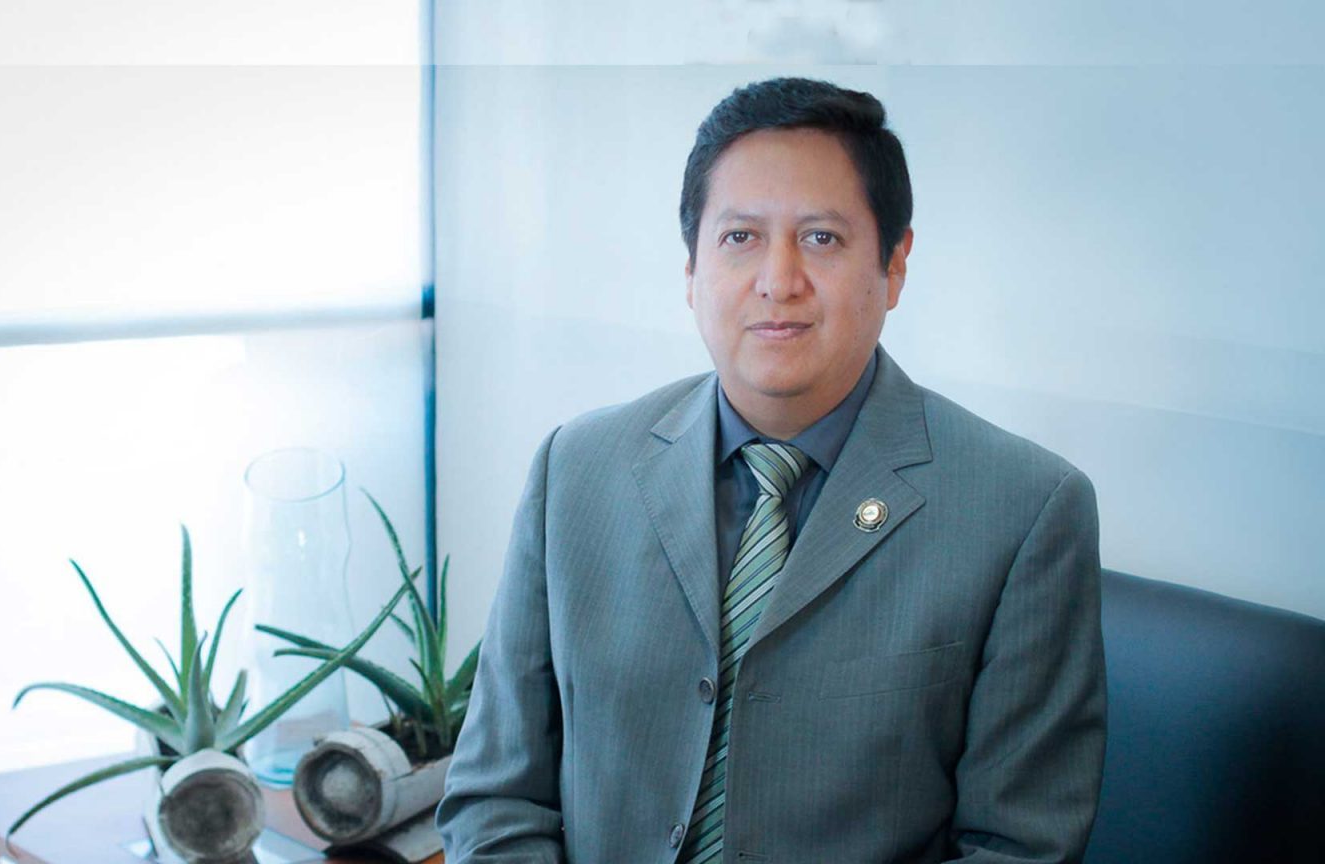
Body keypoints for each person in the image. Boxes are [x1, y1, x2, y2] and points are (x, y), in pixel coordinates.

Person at [436, 77, 1107, 864]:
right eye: (740, 237)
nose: (778, 280)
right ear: (691, 270)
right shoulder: (576, 471)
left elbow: (1018, 849)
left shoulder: (1023, 509)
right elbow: (496, 796)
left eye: (821, 238)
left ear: (894, 265)